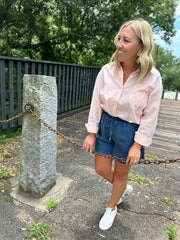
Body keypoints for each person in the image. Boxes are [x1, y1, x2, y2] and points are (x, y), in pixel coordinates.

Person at [83, 19, 162, 231]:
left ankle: (112, 207)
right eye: (119, 38)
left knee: (120, 173)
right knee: (101, 169)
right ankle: (122, 189)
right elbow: (95, 104)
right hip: (105, 124)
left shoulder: (152, 78)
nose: (119, 44)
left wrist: (138, 145)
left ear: (141, 46)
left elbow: (150, 115)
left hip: (129, 130)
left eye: (126, 40)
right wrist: (91, 132)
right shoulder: (107, 71)